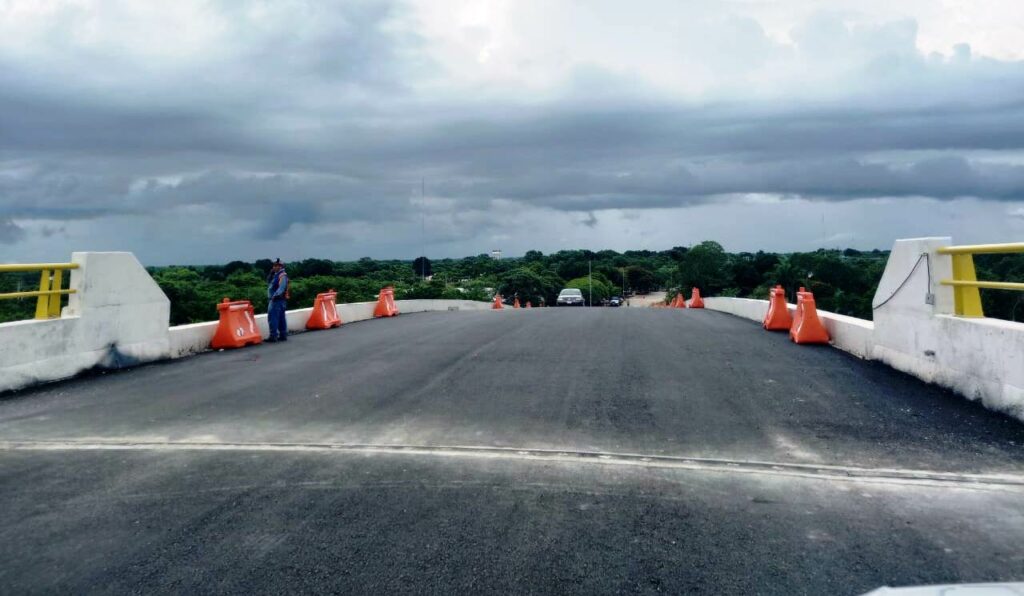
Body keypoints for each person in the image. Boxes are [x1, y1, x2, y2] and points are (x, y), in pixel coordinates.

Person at [266, 259, 289, 342]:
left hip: (276, 300)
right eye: (274, 265)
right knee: (281, 318)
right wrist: (271, 273)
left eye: (278, 265)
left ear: (281, 266)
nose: (275, 267)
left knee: (273, 318)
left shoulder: (282, 275)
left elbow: (281, 288)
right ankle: (283, 335)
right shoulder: (276, 275)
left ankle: (273, 336)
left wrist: (274, 296)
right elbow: (268, 281)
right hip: (280, 300)